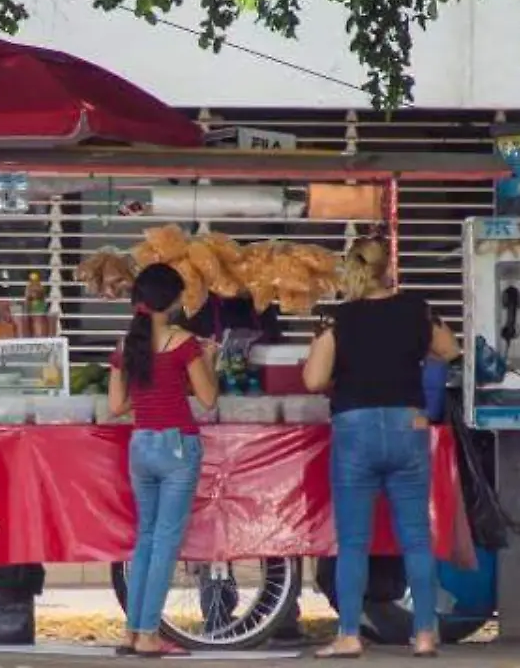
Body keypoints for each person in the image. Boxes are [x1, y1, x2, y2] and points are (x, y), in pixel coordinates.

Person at [302, 236, 461, 659]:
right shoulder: (416, 309)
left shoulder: (340, 319)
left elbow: (314, 381)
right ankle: (425, 634)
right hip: (407, 425)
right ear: (389, 266)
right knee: (416, 539)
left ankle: (350, 634)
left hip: (355, 430)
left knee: (353, 541)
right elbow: (450, 349)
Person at [178, 294, 306, 642]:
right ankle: (217, 611)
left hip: (259, 422)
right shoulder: (195, 307)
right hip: (211, 422)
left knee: (272, 514)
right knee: (210, 521)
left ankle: (283, 616)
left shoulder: (262, 307)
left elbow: (277, 357)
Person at [108, 263, 220, 658]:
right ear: (173, 301)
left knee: (146, 539)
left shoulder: (126, 346)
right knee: (165, 543)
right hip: (176, 448)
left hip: (141, 446)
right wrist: (208, 360)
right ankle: (149, 635)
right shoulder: (184, 343)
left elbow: (117, 405)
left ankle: (130, 631)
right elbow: (208, 400)